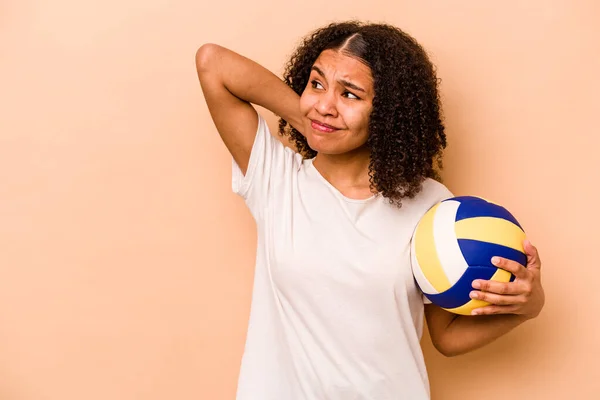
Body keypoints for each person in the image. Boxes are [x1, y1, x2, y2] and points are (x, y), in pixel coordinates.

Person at [195, 21, 545, 400]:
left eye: (349, 94)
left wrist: (530, 306)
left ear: (388, 114)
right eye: (316, 83)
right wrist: (312, 120)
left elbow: (445, 337)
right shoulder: (277, 180)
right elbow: (212, 63)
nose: (326, 102)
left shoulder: (431, 206)